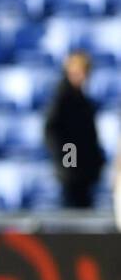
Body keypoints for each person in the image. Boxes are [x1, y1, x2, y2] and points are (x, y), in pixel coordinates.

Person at [44, 51, 103, 208]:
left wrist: (96, 162)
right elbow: (52, 132)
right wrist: (69, 162)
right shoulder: (62, 99)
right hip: (72, 173)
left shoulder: (82, 99)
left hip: (84, 171)